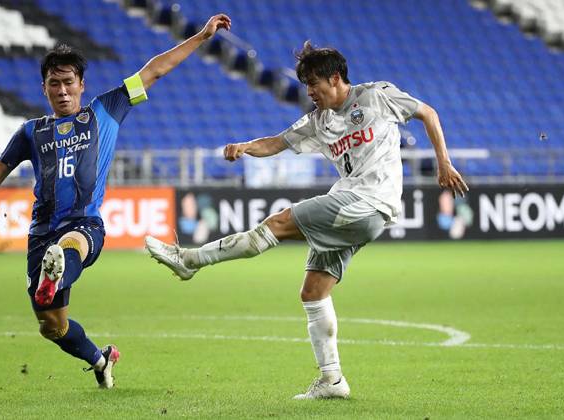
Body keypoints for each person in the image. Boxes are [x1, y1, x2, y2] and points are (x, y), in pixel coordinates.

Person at [145, 41, 468, 399]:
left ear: (335, 78)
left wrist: (443, 162)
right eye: (306, 86)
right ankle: (332, 381)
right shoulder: (319, 122)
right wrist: (245, 146)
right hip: (352, 208)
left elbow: (429, 113)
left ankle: (190, 259)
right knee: (313, 291)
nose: (310, 92)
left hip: (369, 201)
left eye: (314, 83)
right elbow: (277, 142)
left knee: (278, 223)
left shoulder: (377, 96)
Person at [0, 13, 232, 389]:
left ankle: (56, 268)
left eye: (68, 82)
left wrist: (201, 37)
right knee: (52, 327)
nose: (62, 90)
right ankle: (100, 358)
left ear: (81, 85)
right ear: (44, 89)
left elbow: (154, 70)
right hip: (40, 234)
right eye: (54, 83)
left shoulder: (105, 111)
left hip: (85, 226)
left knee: (69, 244)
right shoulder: (30, 132)